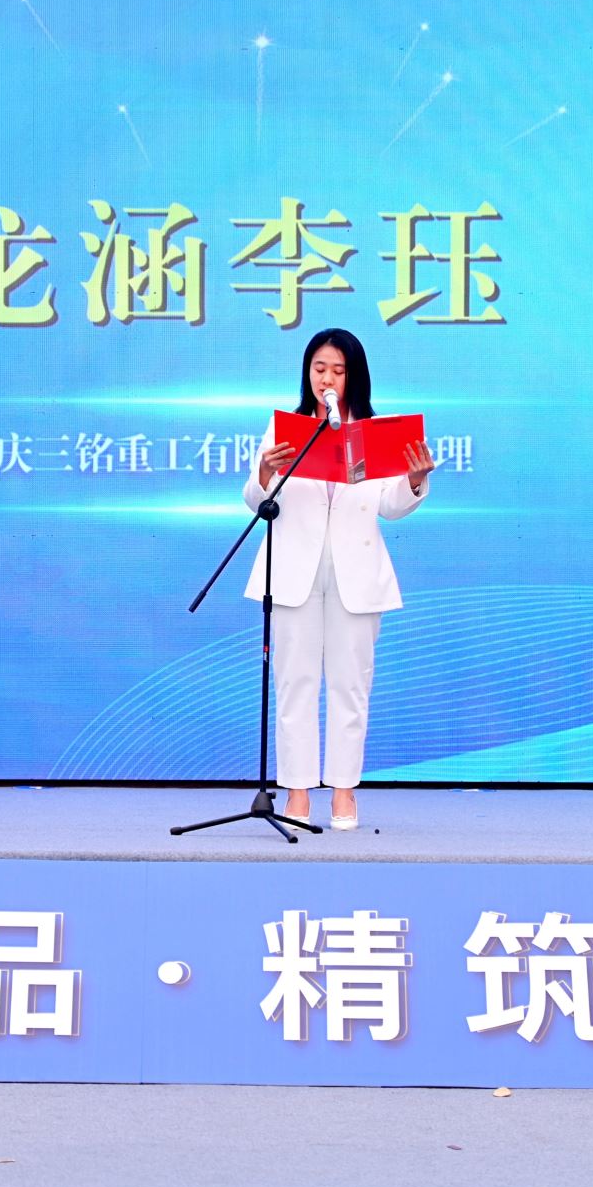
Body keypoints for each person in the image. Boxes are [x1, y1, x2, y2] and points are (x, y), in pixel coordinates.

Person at [243, 328, 435, 831]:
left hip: (357, 574)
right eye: (319, 369)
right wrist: (264, 472)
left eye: (338, 370)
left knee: (351, 685)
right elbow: (257, 500)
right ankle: (297, 790)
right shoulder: (285, 428)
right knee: (295, 684)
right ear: (307, 373)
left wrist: (415, 479)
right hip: (293, 572)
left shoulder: (377, 432)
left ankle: (344, 790)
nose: (327, 379)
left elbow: (391, 506)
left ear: (355, 376)